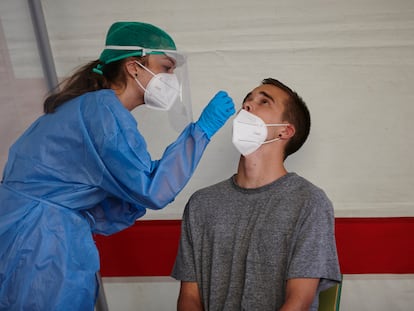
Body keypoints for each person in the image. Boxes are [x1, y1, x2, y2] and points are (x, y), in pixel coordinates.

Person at [0, 21, 235, 310]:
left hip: (31, 235)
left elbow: (130, 185)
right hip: (41, 246)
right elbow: (152, 189)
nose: (171, 77)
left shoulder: (87, 108)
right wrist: (202, 131)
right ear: (134, 66)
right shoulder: (103, 111)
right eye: (165, 67)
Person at [172, 78, 341, 311]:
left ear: (285, 131)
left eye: (264, 101)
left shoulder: (309, 202)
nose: (247, 106)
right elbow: (189, 299)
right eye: (247, 100)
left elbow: (299, 302)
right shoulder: (201, 204)